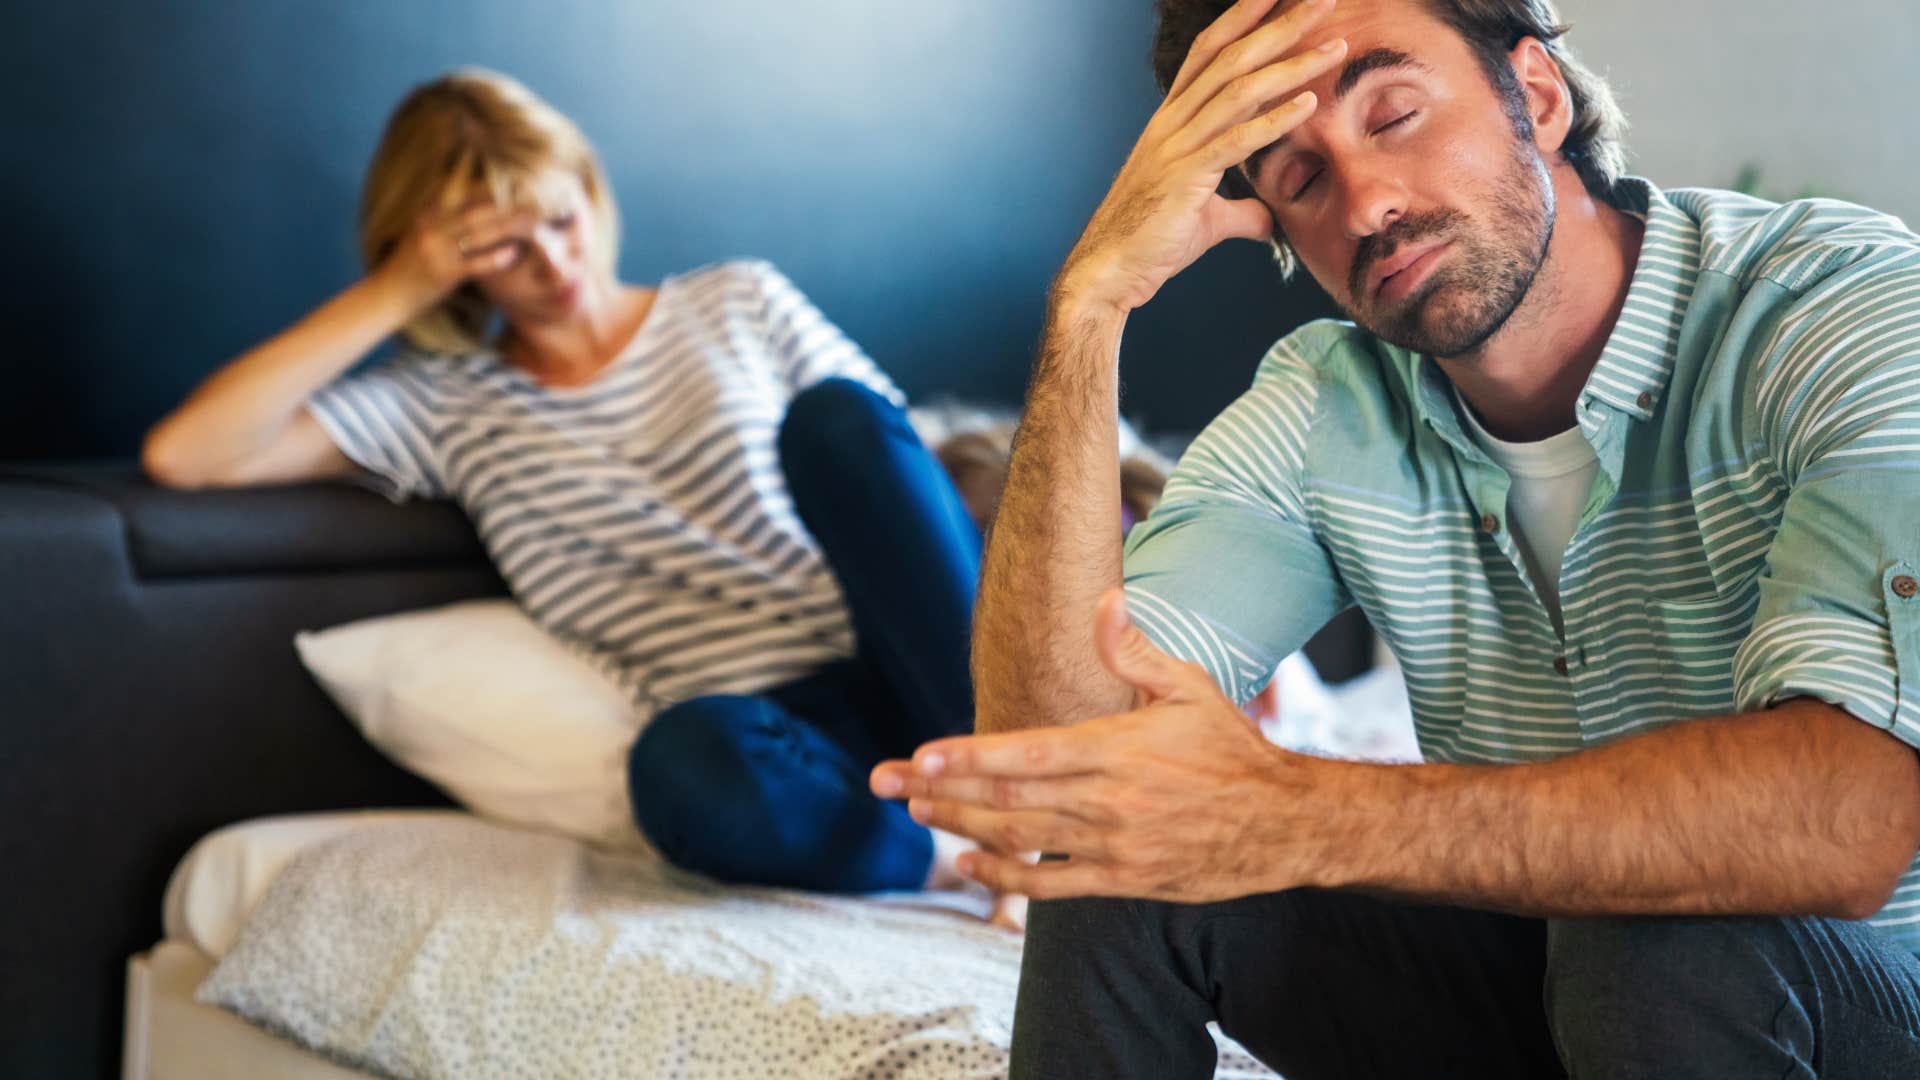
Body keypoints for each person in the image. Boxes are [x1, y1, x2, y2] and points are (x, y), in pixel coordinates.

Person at [870, 0, 1920, 1074]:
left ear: (1541, 97)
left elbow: (1850, 822)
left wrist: (1297, 812)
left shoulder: (1837, 312)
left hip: (1859, 1000)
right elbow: (1062, 764)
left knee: (1659, 932)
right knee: (1135, 858)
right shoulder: (1327, 408)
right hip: (1568, 997)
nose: (1367, 203)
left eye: (1396, 113)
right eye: (1301, 180)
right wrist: (1090, 307)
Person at [142, 68, 987, 901]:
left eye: (559, 217)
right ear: (446, 263)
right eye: (504, 247)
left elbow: (898, 480)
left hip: (920, 664)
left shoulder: (740, 301)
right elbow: (191, 455)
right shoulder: (445, 402)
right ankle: (946, 855)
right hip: (775, 742)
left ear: (589, 189)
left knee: (839, 417)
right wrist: (397, 289)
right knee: (675, 767)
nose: (552, 261)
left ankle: (1022, 784)